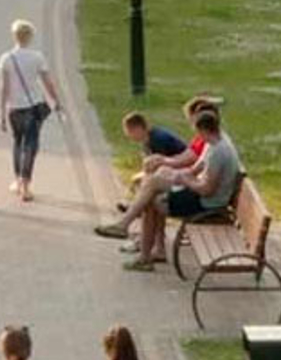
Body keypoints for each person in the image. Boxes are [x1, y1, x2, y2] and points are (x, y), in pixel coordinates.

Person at [96, 109, 240, 270]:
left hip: (207, 204)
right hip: (197, 190)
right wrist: (177, 174)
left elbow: (206, 190)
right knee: (157, 180)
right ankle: (140, 244)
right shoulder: (214, 142)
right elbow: (196, 168)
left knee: (152, 199)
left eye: (197, 132)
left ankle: (132, 238)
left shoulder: (219, 153)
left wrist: (185, 180)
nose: (197, 137)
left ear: (204, 130)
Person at [0, 19, 62, 201]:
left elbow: (3, 87)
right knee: (31, 145)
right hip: (33, 107)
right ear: (30, 37)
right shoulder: (37, 57)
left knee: (18, 143)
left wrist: (1, 112)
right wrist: (56, 101)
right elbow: (47, 82)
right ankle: (26, 185)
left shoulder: (6, 58)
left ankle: (17, 181)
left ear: (14, 36)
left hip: (14, 108)